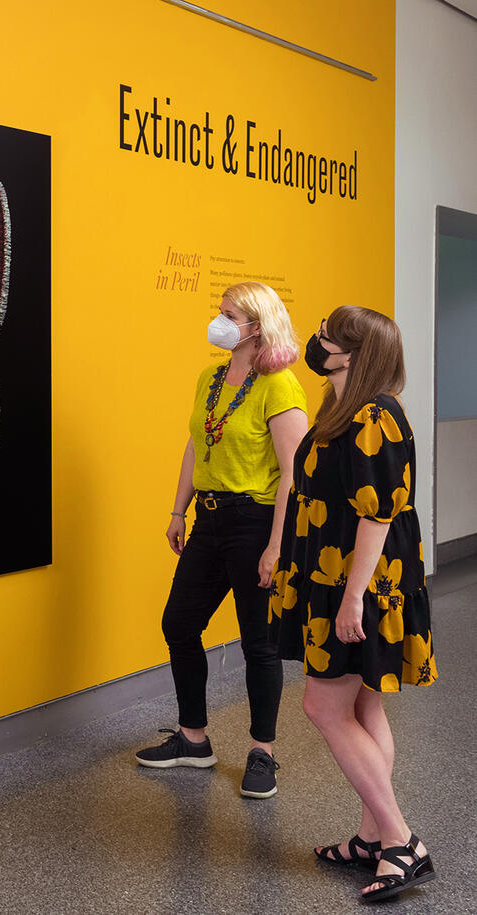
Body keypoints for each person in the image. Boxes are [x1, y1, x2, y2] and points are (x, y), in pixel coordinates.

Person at [270, 305, 437, 902]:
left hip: (357, 580)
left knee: (324, 707)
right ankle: (372, 838)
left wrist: (352, 600)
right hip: (336, 573)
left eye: (328, 339)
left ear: (355, 355)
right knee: (364, 710)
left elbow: (377, 513)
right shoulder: (343, 410)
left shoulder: (375, 415)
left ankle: (399, 841)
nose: (317, 342)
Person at [137, 282, 308, 800]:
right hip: (209, 520)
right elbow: (197, 443)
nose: (219, 321)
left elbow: (292, 475)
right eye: (220, 312)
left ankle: (263, 752)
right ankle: (193, 738)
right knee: (179, 623)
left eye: (228, 314)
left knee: (260, 642)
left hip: (255, 522)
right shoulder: (210, 376)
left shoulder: (279, 386)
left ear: (256, 325)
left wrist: (277, 545)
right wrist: (178, 508)